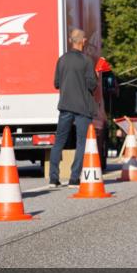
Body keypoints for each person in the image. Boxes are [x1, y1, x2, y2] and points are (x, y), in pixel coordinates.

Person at [49, 29, 98, 188]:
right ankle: (74, 178)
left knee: (59, 141)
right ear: (82, 41)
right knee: (81, 142)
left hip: (65, 105)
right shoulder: (86, 61)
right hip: (82, 107)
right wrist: (96, 74)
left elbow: (56, 83)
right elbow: (92, 85)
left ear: (71, 41)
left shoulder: (61, 60)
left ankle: (53, 178)